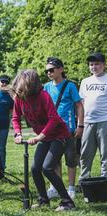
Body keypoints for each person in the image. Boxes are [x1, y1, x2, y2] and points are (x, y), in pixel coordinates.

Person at [12, 69, 75, 211]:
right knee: (35, 168)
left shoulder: (43, 96)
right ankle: (43, 200)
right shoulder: (19, 98)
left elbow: (53, 119)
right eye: (18, 89)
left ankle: (67, 202)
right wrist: (18, 134)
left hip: (59, 135)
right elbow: (16, 118)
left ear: (30, 85)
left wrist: (40, 136)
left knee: (47, 168)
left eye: (22, 89)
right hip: (45, 137)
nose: (19, 92)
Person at [43, 57, 84, 200]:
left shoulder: (70, 86)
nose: (49, 73)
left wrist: (80, 125)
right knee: (54, 160)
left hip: (68, 129)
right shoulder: (46, 87)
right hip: (52, 130)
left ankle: (71, 188)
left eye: (51, 70)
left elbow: (79, 105)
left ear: (61, 69)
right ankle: (55, 187)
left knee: (70, 158)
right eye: (46, 70)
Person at [79, 52, 107, 182]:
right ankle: (84, 180)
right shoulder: (85, 81)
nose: (93, 67)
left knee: (105, 153)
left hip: (104, 121)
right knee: (85, 154)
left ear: (104, 65)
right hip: (88, 122)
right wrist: (81, 121)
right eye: (91, 64)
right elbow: (82, 103)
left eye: (96, 64)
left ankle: (104, 179)